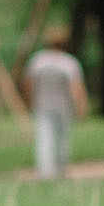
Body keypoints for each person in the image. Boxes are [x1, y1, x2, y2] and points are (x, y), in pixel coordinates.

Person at [25, 30, 88, 179]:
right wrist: (81, 105)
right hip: (63, 105)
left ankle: (44, 171)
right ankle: (61, 168)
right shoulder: (69, 62)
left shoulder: (38, 60)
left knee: (44, 137)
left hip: (42, 104)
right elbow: (76, 87)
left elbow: (29, 83)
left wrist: (29, 100)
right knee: (62, 138)